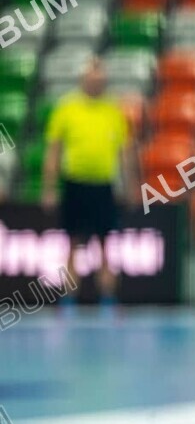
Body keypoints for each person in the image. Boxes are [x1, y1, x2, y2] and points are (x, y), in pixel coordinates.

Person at [41, 57, 137, 306]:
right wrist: (49, 189)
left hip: (103, 187)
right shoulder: (66, 109)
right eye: (91, 77)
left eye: (100, 78)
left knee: (105, 245)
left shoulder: (114, 111)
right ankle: (69, 300)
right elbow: (53, 151)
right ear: (83, 79)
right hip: (75, 184)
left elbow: (125, 153)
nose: (96, 81)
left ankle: (107, 300)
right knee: (72, 243)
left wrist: (130, 186)